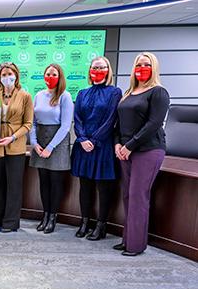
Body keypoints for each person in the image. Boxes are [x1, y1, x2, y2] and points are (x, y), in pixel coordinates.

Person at [114, 52, 169, 256]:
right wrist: (118, 144)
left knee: (138, 196)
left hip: (148, 150)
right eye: (138, 64)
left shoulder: (158, 92)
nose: (141, 68)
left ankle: (136, 245)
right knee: (128, 195)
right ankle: (128, 239)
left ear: (153, 67)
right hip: (125, 150)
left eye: (146, 64)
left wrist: (130, 145)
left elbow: (154, 123)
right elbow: (118, 122)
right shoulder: (129, 92)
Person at [71, 56, 122, 241]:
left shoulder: (115, 92)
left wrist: (94, 140)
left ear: (108, 70)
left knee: (103, 188)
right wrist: (83, 139)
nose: (97, 71)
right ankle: (84, 222)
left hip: (102, 147)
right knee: (85, 187)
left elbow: (111, 120)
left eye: (101, 67)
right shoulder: (82, 93)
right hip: (83, 147)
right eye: (94, 67)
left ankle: (101, 226)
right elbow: (77, 119)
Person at [0, 62, 33, 233]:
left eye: (10, 74)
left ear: (16, 75)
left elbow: (28, 124)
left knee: (14, 184)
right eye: (3, 74)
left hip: (16, 146)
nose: (7, 77)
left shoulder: (25, 96)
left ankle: (11, 222)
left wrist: (12, 137)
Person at [29, 63, 73, 234]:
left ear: (60, 76)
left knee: (55, 183)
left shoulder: (65, 96)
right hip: (40, 140)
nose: (50, 77)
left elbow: (66, 126)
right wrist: (34, 143)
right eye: (47, 74)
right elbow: (32, 122)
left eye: (54, 74)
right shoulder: (39, 95)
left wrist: (51, 147)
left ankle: (53, 217)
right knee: (44, 182)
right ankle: (45, 215)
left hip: (57, 142)